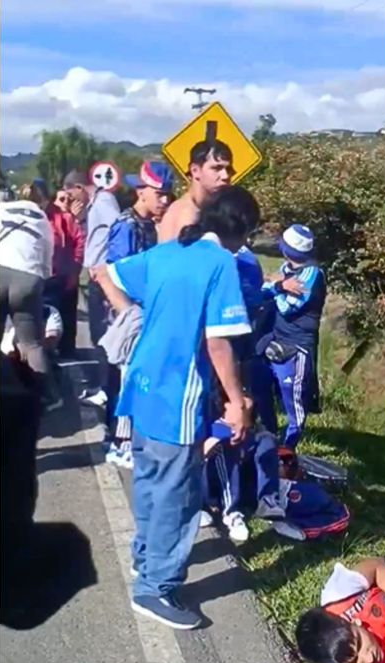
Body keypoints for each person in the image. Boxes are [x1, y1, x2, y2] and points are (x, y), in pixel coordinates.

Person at [88, 185, 256, 630]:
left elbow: (106, 273)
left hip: (141, 386)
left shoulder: (166, 253)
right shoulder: (221, 263)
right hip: (178, 392)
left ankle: (147, 557)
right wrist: (237, 402)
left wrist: (134, 317)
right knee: (177, 495)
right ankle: (155, 587)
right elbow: (217, 341)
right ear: (242, 231)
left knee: (149, 481)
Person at [103, 161, 176, 469]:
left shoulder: (151, 226)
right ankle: (120, 444)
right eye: (159, 194)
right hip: (129, 316)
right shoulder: (127, 226)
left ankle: (133, 438)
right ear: (141, 192)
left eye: (168, 195)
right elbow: (117, 273)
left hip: (149, 315)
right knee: (127, 379)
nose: (165, 201)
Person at [260, 224, 325, 451]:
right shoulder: (287, 269)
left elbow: (289, 307)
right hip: (277, 339)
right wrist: (280, 286)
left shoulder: (311, 274)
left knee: (293, 402)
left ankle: (288, 449)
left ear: (286, 248)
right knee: (265, 390)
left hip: (297, 348)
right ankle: (270, 441)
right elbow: (264, 290)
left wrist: (276, 288)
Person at [0, 195, 62, 411]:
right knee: (31, 344)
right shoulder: (43, 221)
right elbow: (47, 263)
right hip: (29, 277)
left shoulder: (2, 210)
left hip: (1, 269)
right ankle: (50, 396)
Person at [295, 557, 385, 663]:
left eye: (359, 643)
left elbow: (376, 565)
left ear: (354, 622)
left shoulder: (339, 594)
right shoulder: (337, 661)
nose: (369, 659)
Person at [63, 168, 122, 346]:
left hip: (102, 271)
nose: (71, 200)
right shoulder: (93, 205)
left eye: (71, 194)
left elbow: (117, 228)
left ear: (80, 187)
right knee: (96, 322)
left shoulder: (104, 202)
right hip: (94, 270)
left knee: (101, 323)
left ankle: (105, 363)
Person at [31, 179, 83, 356]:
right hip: (37, 275)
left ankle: (64, 349)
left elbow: (78, 243)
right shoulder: (29, 217)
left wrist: (74, 271)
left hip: (59, 276)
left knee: (63, 315)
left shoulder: (63, 218)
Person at [156, 139, 233, 243]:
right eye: (216, 168)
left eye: (228, 169)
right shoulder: (187, 216)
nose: (225, 176)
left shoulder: (199, 208)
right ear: (195, 170)